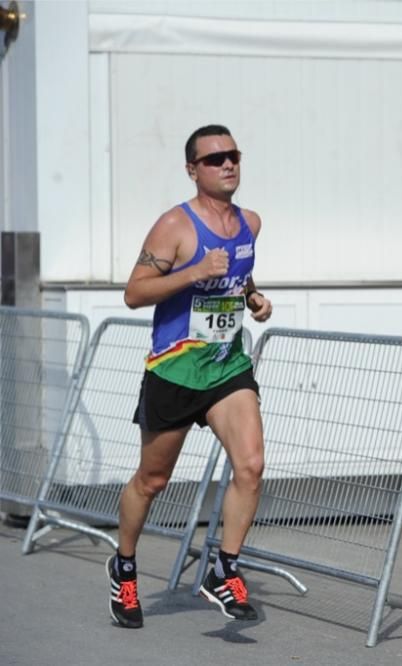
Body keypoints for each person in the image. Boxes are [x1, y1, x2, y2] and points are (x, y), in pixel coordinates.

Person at [106, 124, 273, 629]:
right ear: (192, 170)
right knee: (152, 480)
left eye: (233, 155)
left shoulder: (251, 222)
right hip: (175, 370)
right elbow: (135, 292)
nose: (227, 164)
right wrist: (193, 272)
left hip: (226, 366)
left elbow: (237, 278)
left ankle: (223, 569)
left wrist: (253, 298)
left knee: (251, 464)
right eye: (214, 158)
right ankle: (125, 566)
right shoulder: (174, 226)